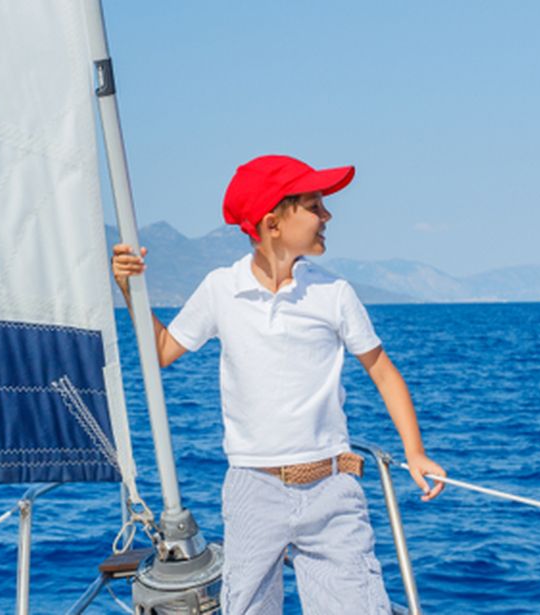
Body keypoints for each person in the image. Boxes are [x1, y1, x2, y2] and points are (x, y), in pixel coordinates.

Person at [111, 154, 447, 614]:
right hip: (253, 487)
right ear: (272, 223)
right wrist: (132, 290)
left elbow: (383, 372)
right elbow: (164, 350)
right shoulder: (220, 289)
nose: (327, 216)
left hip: (331, 485)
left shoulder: (334, 294)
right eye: (314, 205)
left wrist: (414, 451)